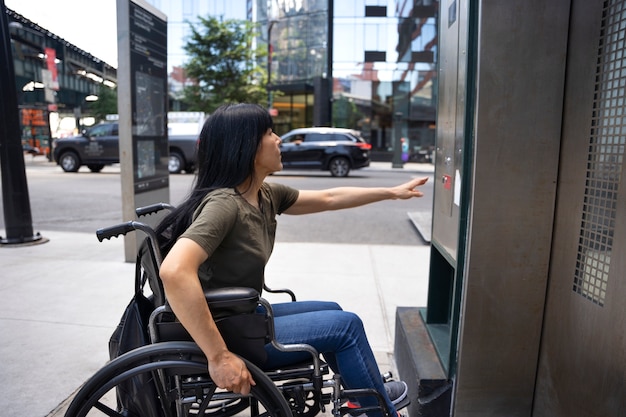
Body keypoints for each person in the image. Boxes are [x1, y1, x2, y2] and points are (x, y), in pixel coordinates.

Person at [157, 103, 429, 416]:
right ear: (246, 147)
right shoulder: (224, 205)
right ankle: (376, 408)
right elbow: (175, 272)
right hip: (230, 331)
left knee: (333, 311)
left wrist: (392, 192)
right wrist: (219, 357)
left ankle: (361, 392)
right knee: (346, 327)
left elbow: (329, 198)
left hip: (243, 316)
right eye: (270, 133)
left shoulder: (263, 194)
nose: (279, 140)